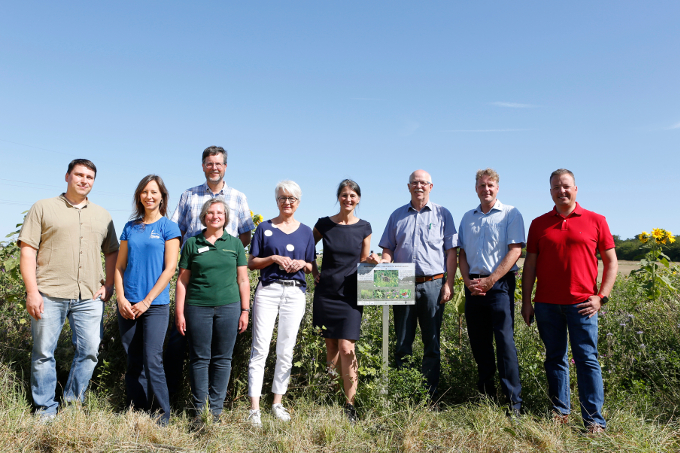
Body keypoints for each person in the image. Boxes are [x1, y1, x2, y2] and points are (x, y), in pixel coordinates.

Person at [18, 159, 119, 422]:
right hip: (49, 293)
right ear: (67, 176)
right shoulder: (43, 207)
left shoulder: (103, 215)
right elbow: (28, 251)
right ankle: (45, 410)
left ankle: (73, 404)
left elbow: (112, 252)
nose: (84, 180)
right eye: (79, 175)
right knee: (43, 353)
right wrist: (32, 291)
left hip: (89, 296)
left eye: (90, 177)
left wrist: (108, 285)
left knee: (89, 350)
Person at [521, 168, 618, 434]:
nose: (561, 191)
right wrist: (526, 301)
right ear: (550, 191)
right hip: (546, 304)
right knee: (554, 358)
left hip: (583, 305)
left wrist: (602, 297)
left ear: (576, 189)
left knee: (587, 359)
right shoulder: (539, 223)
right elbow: (530, 265)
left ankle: (594, 420)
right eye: (555, 187)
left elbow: (611, 262)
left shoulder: (596, 220)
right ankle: (560, 412)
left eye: (565, 186)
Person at [165, 146, 255, 397]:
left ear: (225, 167)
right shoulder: (188, 195)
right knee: (183, 347)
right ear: (203, 166)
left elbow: (246, 233)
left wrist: (225, 255)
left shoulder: (238, 197)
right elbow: (176, 232)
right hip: (193, 282)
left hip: (226, 287)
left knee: (220, 355)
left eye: (218, 163)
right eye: (209, 163)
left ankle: (213, 407)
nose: (214, 167)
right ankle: (174, 399)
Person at [367, 169, 458, 399]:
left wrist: (449, 283)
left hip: (433, 284)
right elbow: (388, 249)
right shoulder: (397, 215)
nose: (419, 186)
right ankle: (403, 393)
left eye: (423, 183)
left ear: (431, 186)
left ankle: (430, 395)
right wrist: (383, 263)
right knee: (402, 342)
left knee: (432, 343)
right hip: (401, 281)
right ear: (409, 187)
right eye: (414, 183)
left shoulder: (442, 214)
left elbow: (451, 252)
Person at [247, 181, 315, 427]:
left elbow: (311, 265)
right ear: (276, 201)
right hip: (268, 291)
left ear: (298, 202)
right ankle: (254, 408)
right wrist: (273, 258)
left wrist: (302, 265)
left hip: (295, 293)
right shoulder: (264, 228)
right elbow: (252, 262)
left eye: (292, 198)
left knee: (286, 350)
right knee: (260, 348)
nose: (287, 202)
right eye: (283, 198)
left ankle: (277, 402)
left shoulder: (306, 231)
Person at [175, 198, 250, 423]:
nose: (215, 216)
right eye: (210, 212)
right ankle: (199, 411)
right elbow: (182, 281)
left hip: (229, 307)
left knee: (223, 359)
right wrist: (179, 313)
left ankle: (215, 411)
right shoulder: (192, 243)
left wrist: (245, 310)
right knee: (199, 359)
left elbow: (243, 280)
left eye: (219, 213)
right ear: (204, 216)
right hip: (197, 307)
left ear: (226, 217)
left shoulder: (235, 244)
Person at [114, 175, 181, 426]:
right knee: (133, 359)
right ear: (139, 196)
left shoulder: (168, 227)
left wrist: (147, 301)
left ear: (162, 196)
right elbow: (119, 267)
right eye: (144, 192)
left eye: (153, 192)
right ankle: (137, 409)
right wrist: (121, 298)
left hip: (155, 305)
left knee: (153, 359)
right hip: (127, 303)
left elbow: (170, 269)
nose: (149, 196)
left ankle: (162, 414)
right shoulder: (130, 227)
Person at [458, 169, 524, 415]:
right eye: (482, 185)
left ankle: (513, 403)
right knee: (479, 343)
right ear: (476, 188)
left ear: (498, 188)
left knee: (505, 343)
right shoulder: (467, 217)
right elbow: (462, 253)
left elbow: (515, 250)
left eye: (490, 185)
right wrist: (467, 281)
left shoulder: (511, 214)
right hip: (473, 286)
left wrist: (491, 280)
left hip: (500, 285)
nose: (486, 189)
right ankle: (486, 398)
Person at [312, 179, 372, 422]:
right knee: (331, 347)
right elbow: (308, 248)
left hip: (350, 294)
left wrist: (373, 262)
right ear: (339, 197)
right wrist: (314, 270)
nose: (349, 199)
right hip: (326, 291)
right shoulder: (324, 224)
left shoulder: (365, 227)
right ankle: (331, 394)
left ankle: (350, 404)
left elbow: (364, 260)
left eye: (353, 195)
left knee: (347, 347)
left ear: (358, 199)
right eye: (345, 195)